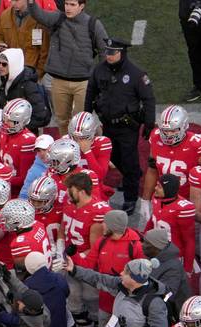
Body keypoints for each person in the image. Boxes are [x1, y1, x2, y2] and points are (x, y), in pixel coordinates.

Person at [85, 39, 155, 213]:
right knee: (113, 158)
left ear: (122, 53)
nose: (109, 56)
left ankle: (130, 198)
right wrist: (86, 116)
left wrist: (149, 123)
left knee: (129, 161)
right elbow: (90, 93)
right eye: (107, 52)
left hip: (127, 127)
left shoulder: (136, 74)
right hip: (107, 124)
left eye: (113, 53)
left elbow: (148, 99)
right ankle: (132, 176)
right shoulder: (99, 70)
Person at [25, 0, 107, 133]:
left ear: (81, 6)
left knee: (81, 120)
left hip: (84, 82)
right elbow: (38, 14)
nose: (68, 8)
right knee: (62, 120)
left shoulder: (93, 24)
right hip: (59, 81)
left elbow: (104, 50)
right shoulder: (58, 18)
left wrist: (101, 75)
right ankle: (66, 148)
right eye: (66, 4)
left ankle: (92, 142)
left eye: (72, 5)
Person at [0, 0, 49, 80]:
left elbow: (44, 51)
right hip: (8, 68)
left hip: (30, 71)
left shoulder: (39, 19)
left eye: (16, 0)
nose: (12, 3)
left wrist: (38, 74)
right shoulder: (5, 15)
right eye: (11, 0)